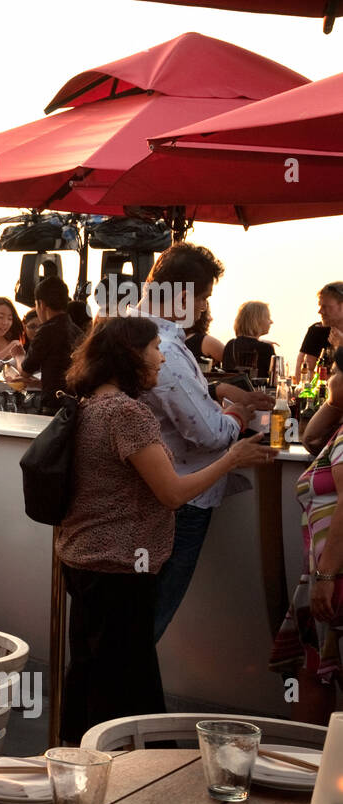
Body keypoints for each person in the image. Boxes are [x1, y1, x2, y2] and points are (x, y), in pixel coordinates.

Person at [57, 317, 275, 742]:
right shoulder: (128, 414)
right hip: (121, 567)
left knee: (91, 671)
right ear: (130, 356)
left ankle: (80, 764)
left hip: (85, 559)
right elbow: (172, 494)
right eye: (155, 347)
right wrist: (231, 459)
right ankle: (131, 774)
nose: (162, 356)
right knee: (128, 687)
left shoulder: (89, 405)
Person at [134, 242, 273, 643]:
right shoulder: (164, 349)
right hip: (183, 502)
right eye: (204, 298)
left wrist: (221, 394)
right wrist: (239, 415)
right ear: (180, 297)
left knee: (134, 620)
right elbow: (207, 434)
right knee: (149, 622)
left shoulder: (125, 331)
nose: (203, 308)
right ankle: (124, 702)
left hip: (146, 495)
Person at [271, 373, 343, 725]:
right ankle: (313, 770)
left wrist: (326, 574)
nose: (331, 378)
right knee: (315, 668)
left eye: (338, 373)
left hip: (336, 571)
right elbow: (312, 437)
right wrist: (333, 400)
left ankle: (310, 770)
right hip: (328, 567)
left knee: (315, 672)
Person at [20, 278, 84, 413]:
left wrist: (18, 354)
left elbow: (25, 371)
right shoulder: (76, 331)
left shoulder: (46, 331)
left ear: (41, 304)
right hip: (75, 407)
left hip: (54, 409)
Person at [297, 283, 343, 380]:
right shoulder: (317, 331)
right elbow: (303, 374)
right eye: (320, 306)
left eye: (325, 307)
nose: (320, 311)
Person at [222, 301, 276, 379]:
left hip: (232, 390)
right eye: (268, 318)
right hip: (257, 390)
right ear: (257, 320)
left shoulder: (230, 345)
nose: (271, 322)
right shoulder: (266, 348)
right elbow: (274, 380)